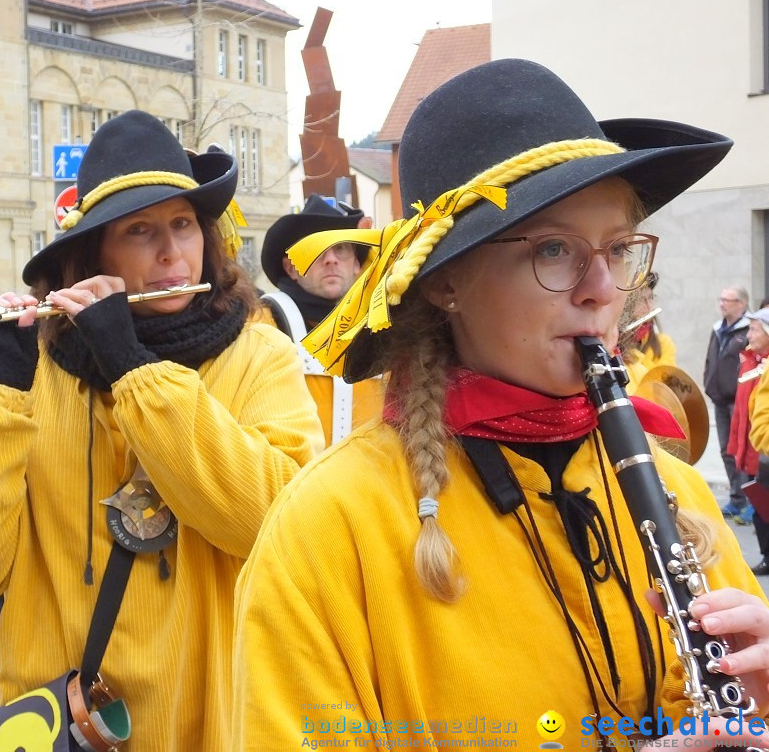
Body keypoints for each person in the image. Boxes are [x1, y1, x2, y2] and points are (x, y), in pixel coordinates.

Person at [232, 59, 769, 749]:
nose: (602, 288)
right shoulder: (328, 526)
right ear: (444, 283)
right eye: (554, 249)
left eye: (617, 249)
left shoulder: (678, 493)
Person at [0, 110, 322, 751]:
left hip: (207, 725)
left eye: (183, 224)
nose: (171, 252)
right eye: (140, 231)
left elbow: (282, 525)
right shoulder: (34, 374)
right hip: (62, 722)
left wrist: (133, 367)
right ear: (93, 255)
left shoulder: (258, 356)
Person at [259, 194, 382, 446]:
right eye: (316, 250)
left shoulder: (384, 330)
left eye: (341, 248)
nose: (331, 259)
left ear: (357, 264)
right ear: (292, 268)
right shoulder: (262, 325)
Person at [705, 286, 751, 518]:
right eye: (721, 299)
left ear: (741, 304)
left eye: (727, 300)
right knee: (725, 450)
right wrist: (708, 383)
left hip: (738, 400)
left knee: (741, 450)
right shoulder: (718, 328)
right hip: (720, 399)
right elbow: (710, 359)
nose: (722, 304)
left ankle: (748, 502)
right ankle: (736, 498)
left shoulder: (749, 330)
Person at [731, 308, 769, 570]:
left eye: (754, 329)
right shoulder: (749, 361)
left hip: (762, 450)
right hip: (753, 446)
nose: (749, 334)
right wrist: (736, 445)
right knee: (760, 507)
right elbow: (743, 411)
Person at [621, 271, 677, 392]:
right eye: (641, 300)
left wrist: (634, 357)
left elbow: (663, 383)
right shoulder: (615, 344)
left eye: (651, 298)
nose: (649, 306)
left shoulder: (664, 343)